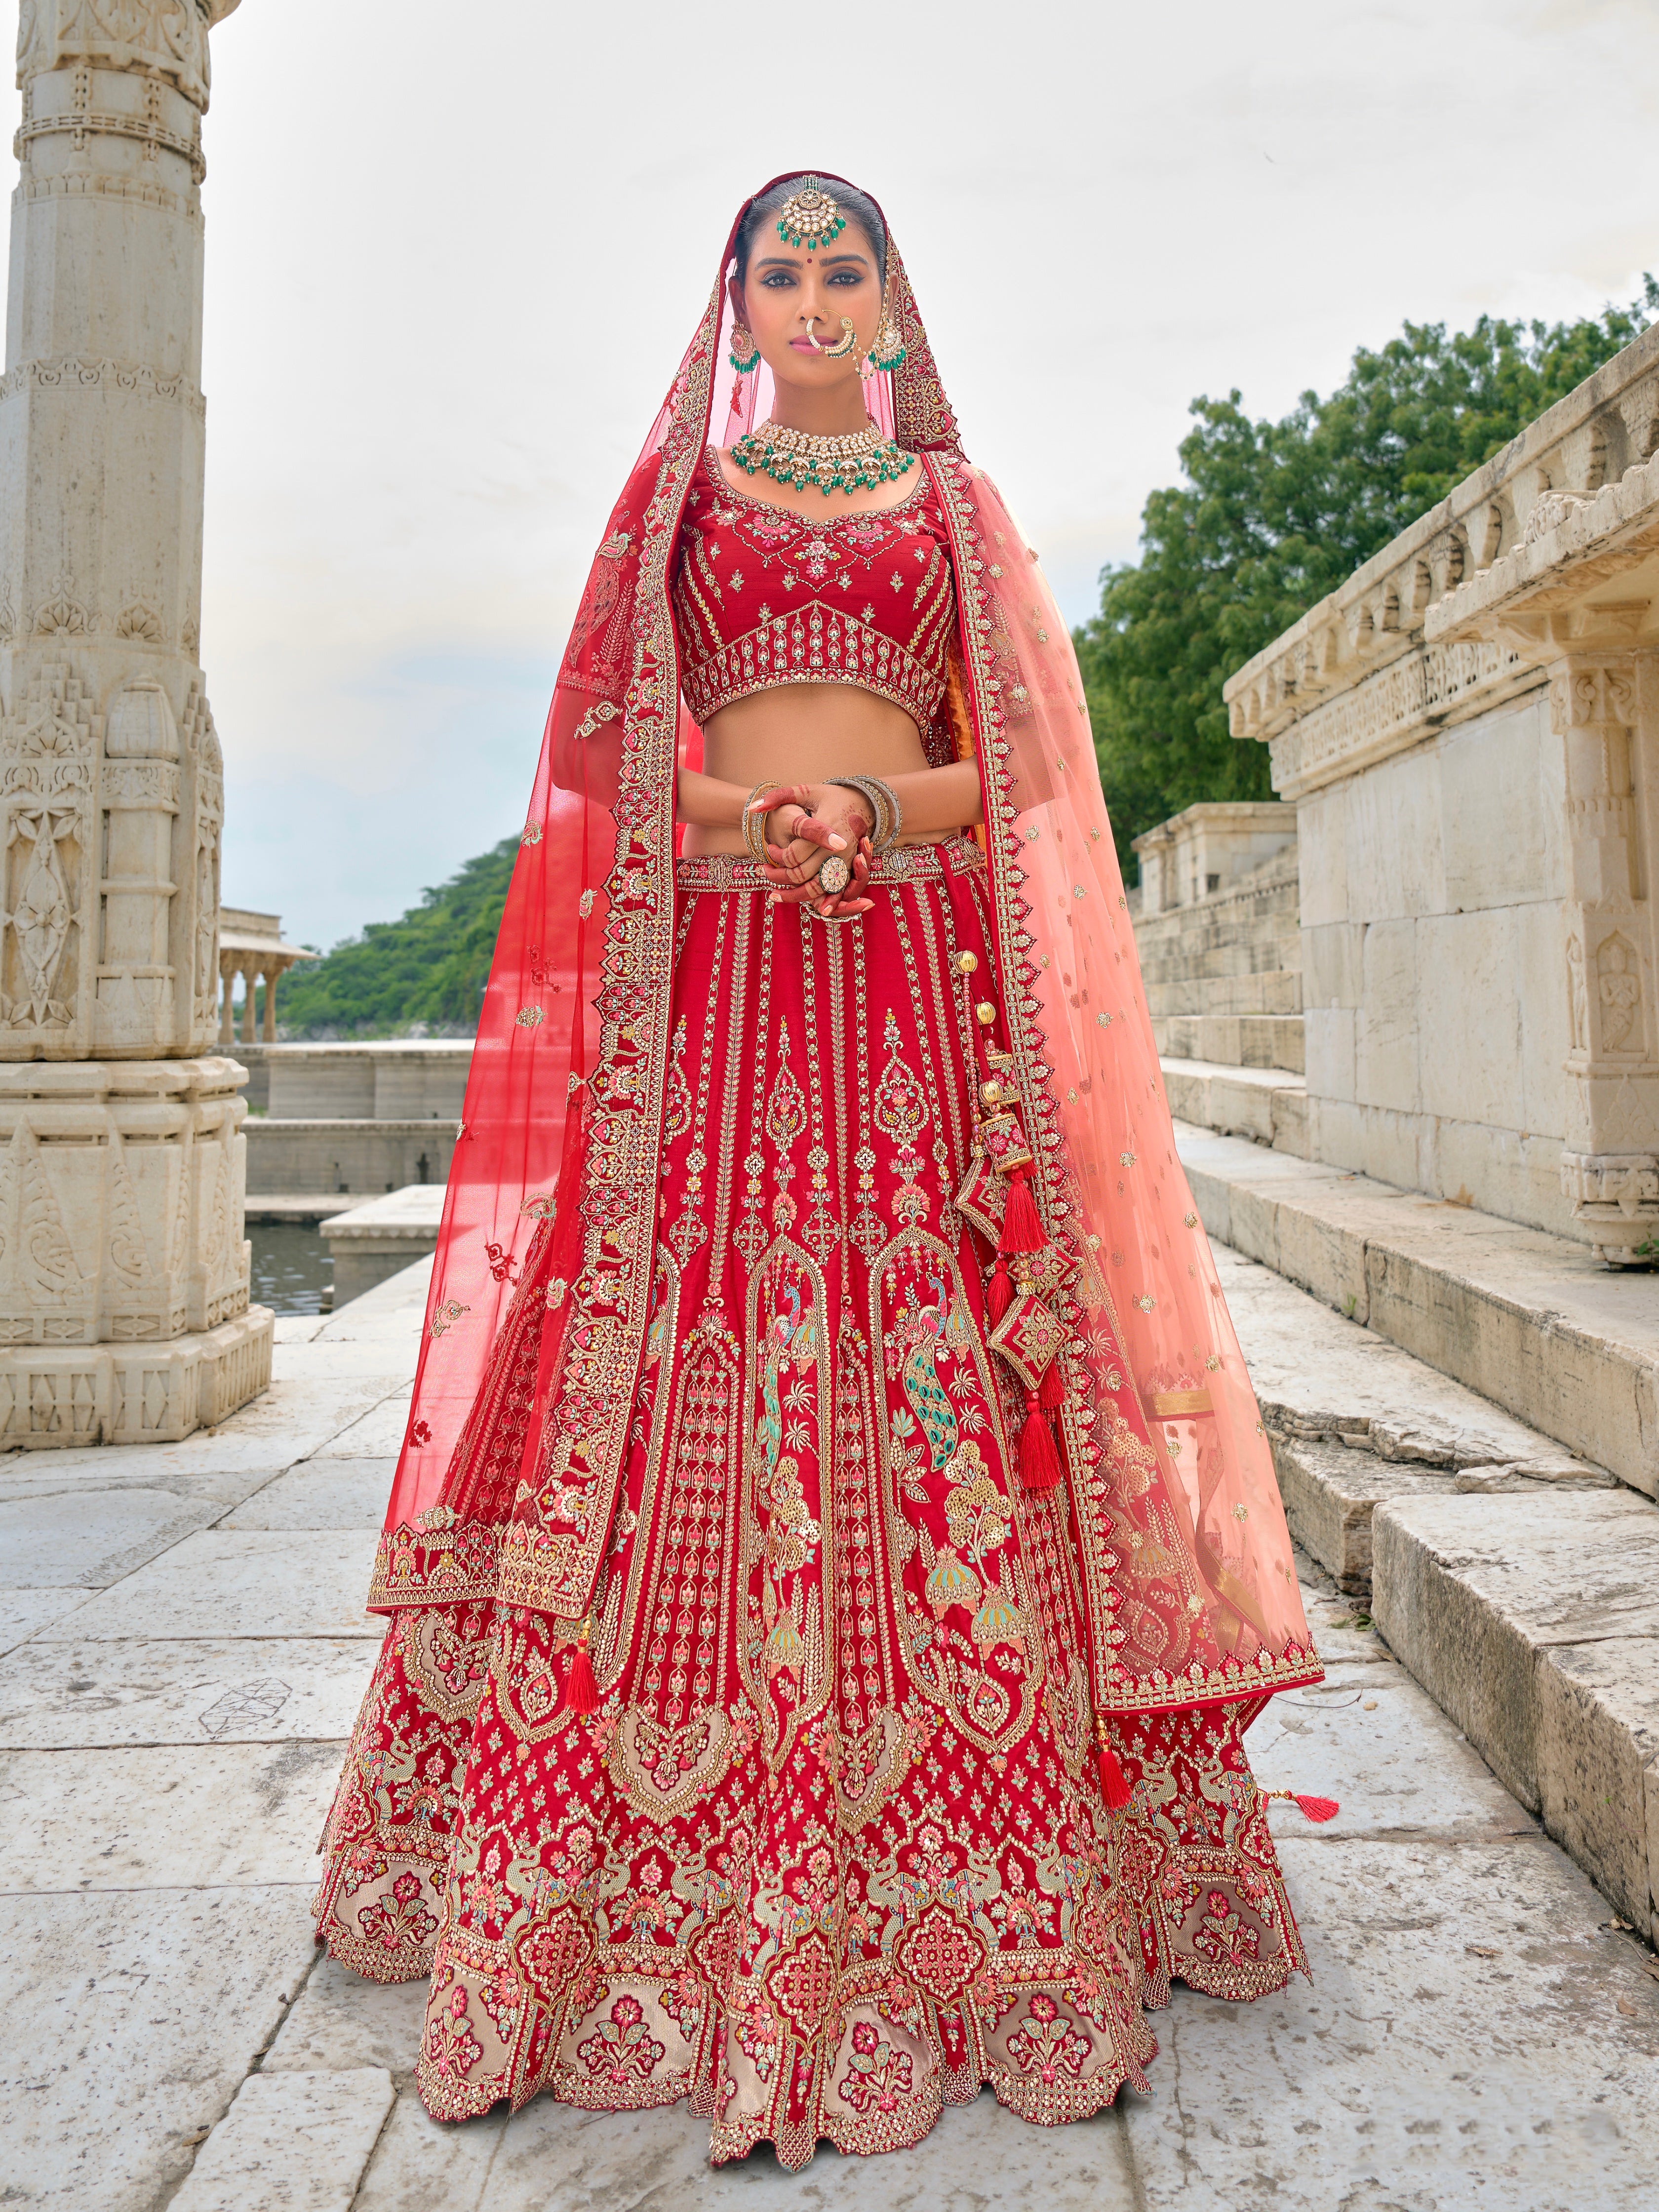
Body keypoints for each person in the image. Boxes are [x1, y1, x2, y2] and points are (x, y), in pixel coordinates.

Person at [314, 173, 1328, 2170]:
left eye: (841, 268)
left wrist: (865, 802)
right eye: (777, 273)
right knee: (662, 1361)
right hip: (712, 987)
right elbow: (598, 751)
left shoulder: (954, 512)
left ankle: (1005, 1899)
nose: (809, 298)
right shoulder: (677, 510)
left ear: (890, 299)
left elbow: (1027, 766)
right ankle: (602, 1911)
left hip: (907, 981)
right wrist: (744, 817)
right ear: (739, 306)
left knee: (937, 1360)